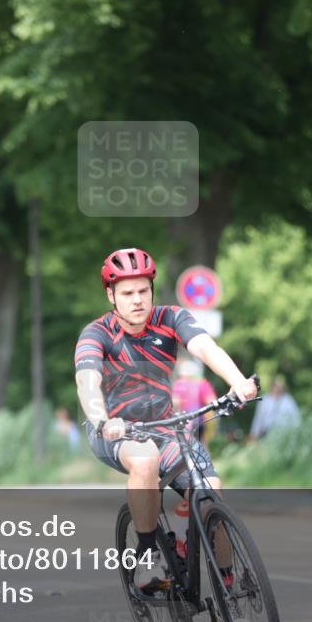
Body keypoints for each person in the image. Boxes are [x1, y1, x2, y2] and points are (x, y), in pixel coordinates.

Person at [75, 247, 258, 590]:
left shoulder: (171, 318)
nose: (137, 300)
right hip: (116, 431)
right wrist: (102, 418)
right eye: (127, 293)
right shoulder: (96, 334)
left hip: (164, 427)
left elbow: (205, 347)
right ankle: (147, 558)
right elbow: (87, 382)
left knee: (210, 491)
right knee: (145, 460)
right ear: (111, 295)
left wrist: (237, 382)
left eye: (143, 290)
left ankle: (230, 585)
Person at [171, 358, 218, 446]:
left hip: (182, 421)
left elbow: (174, 403)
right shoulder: (202, 384)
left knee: (183, 446)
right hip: (199, 421)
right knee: (200, 447)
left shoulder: (179, 384)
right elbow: (211, 400)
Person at [249, 375, 301, 441]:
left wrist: (295, 433)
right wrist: (254, 433)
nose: (276, 389)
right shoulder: (265, 400)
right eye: (275, 386)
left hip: (284, 433)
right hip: (266, 433)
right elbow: (258, 418)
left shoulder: (288, 400)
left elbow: (296, 417)